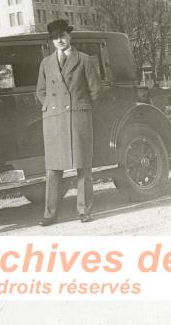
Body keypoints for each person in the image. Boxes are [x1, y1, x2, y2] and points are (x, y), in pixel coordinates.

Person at [35, 19, 103, 225]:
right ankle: (50, 214)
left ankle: (84, 211)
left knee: (83, 166)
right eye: (55, 38)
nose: (59, 40)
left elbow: (96, 90)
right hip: (54, 120)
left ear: (69, 36)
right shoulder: (46, 63)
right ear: (52, 41)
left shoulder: (84, 59)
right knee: (53, 169)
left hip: (78, 118)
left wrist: (80, 107)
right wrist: (52, 108)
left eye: (62, 36)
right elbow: (41, 91)